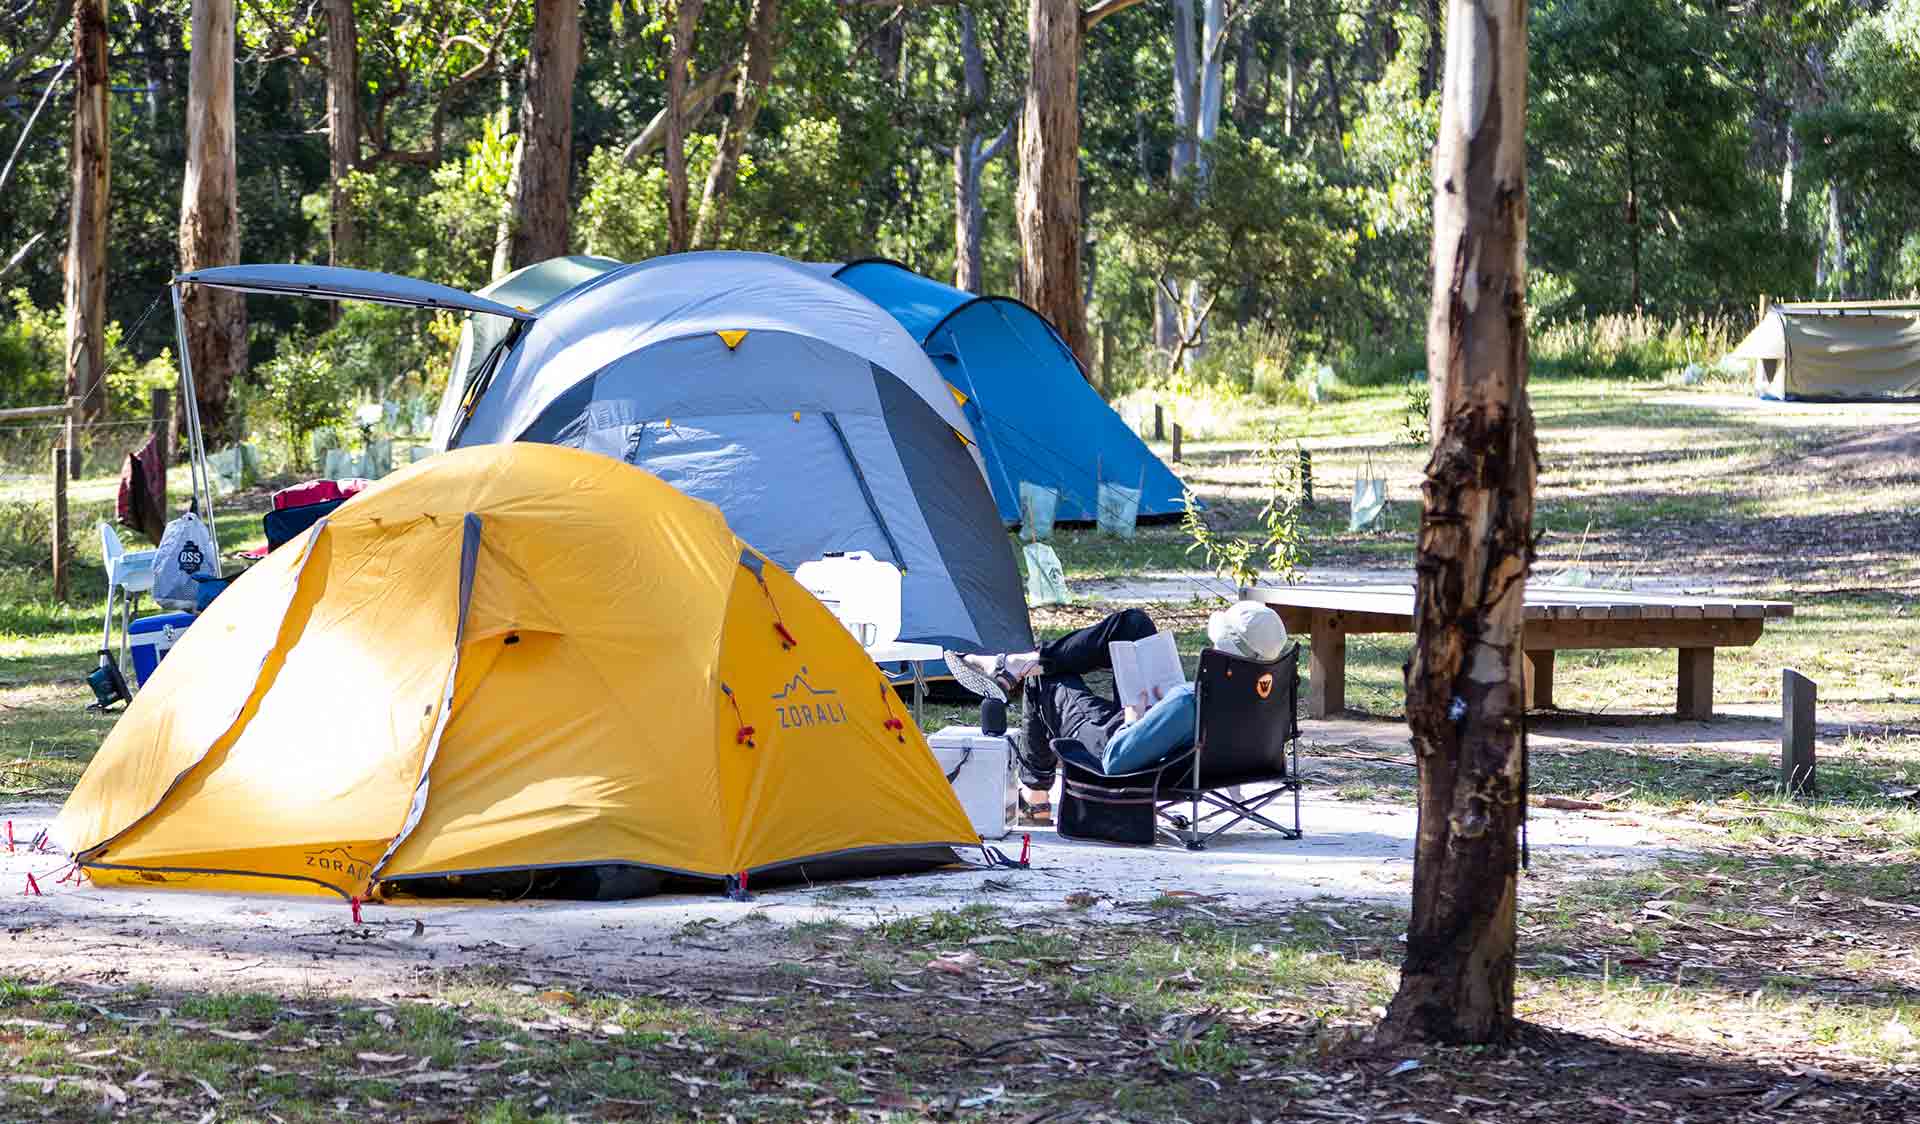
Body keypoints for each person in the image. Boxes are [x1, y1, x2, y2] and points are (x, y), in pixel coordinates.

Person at [945, 602, 1287, 823]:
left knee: (1045, 682)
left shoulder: (1187, 701)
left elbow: (1117, 760)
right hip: (1183, 740)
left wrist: (1134, 713)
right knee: (1133, 625)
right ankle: (1017, 664)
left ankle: (1035, 797)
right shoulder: (1266, 696)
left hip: (1129, 746)